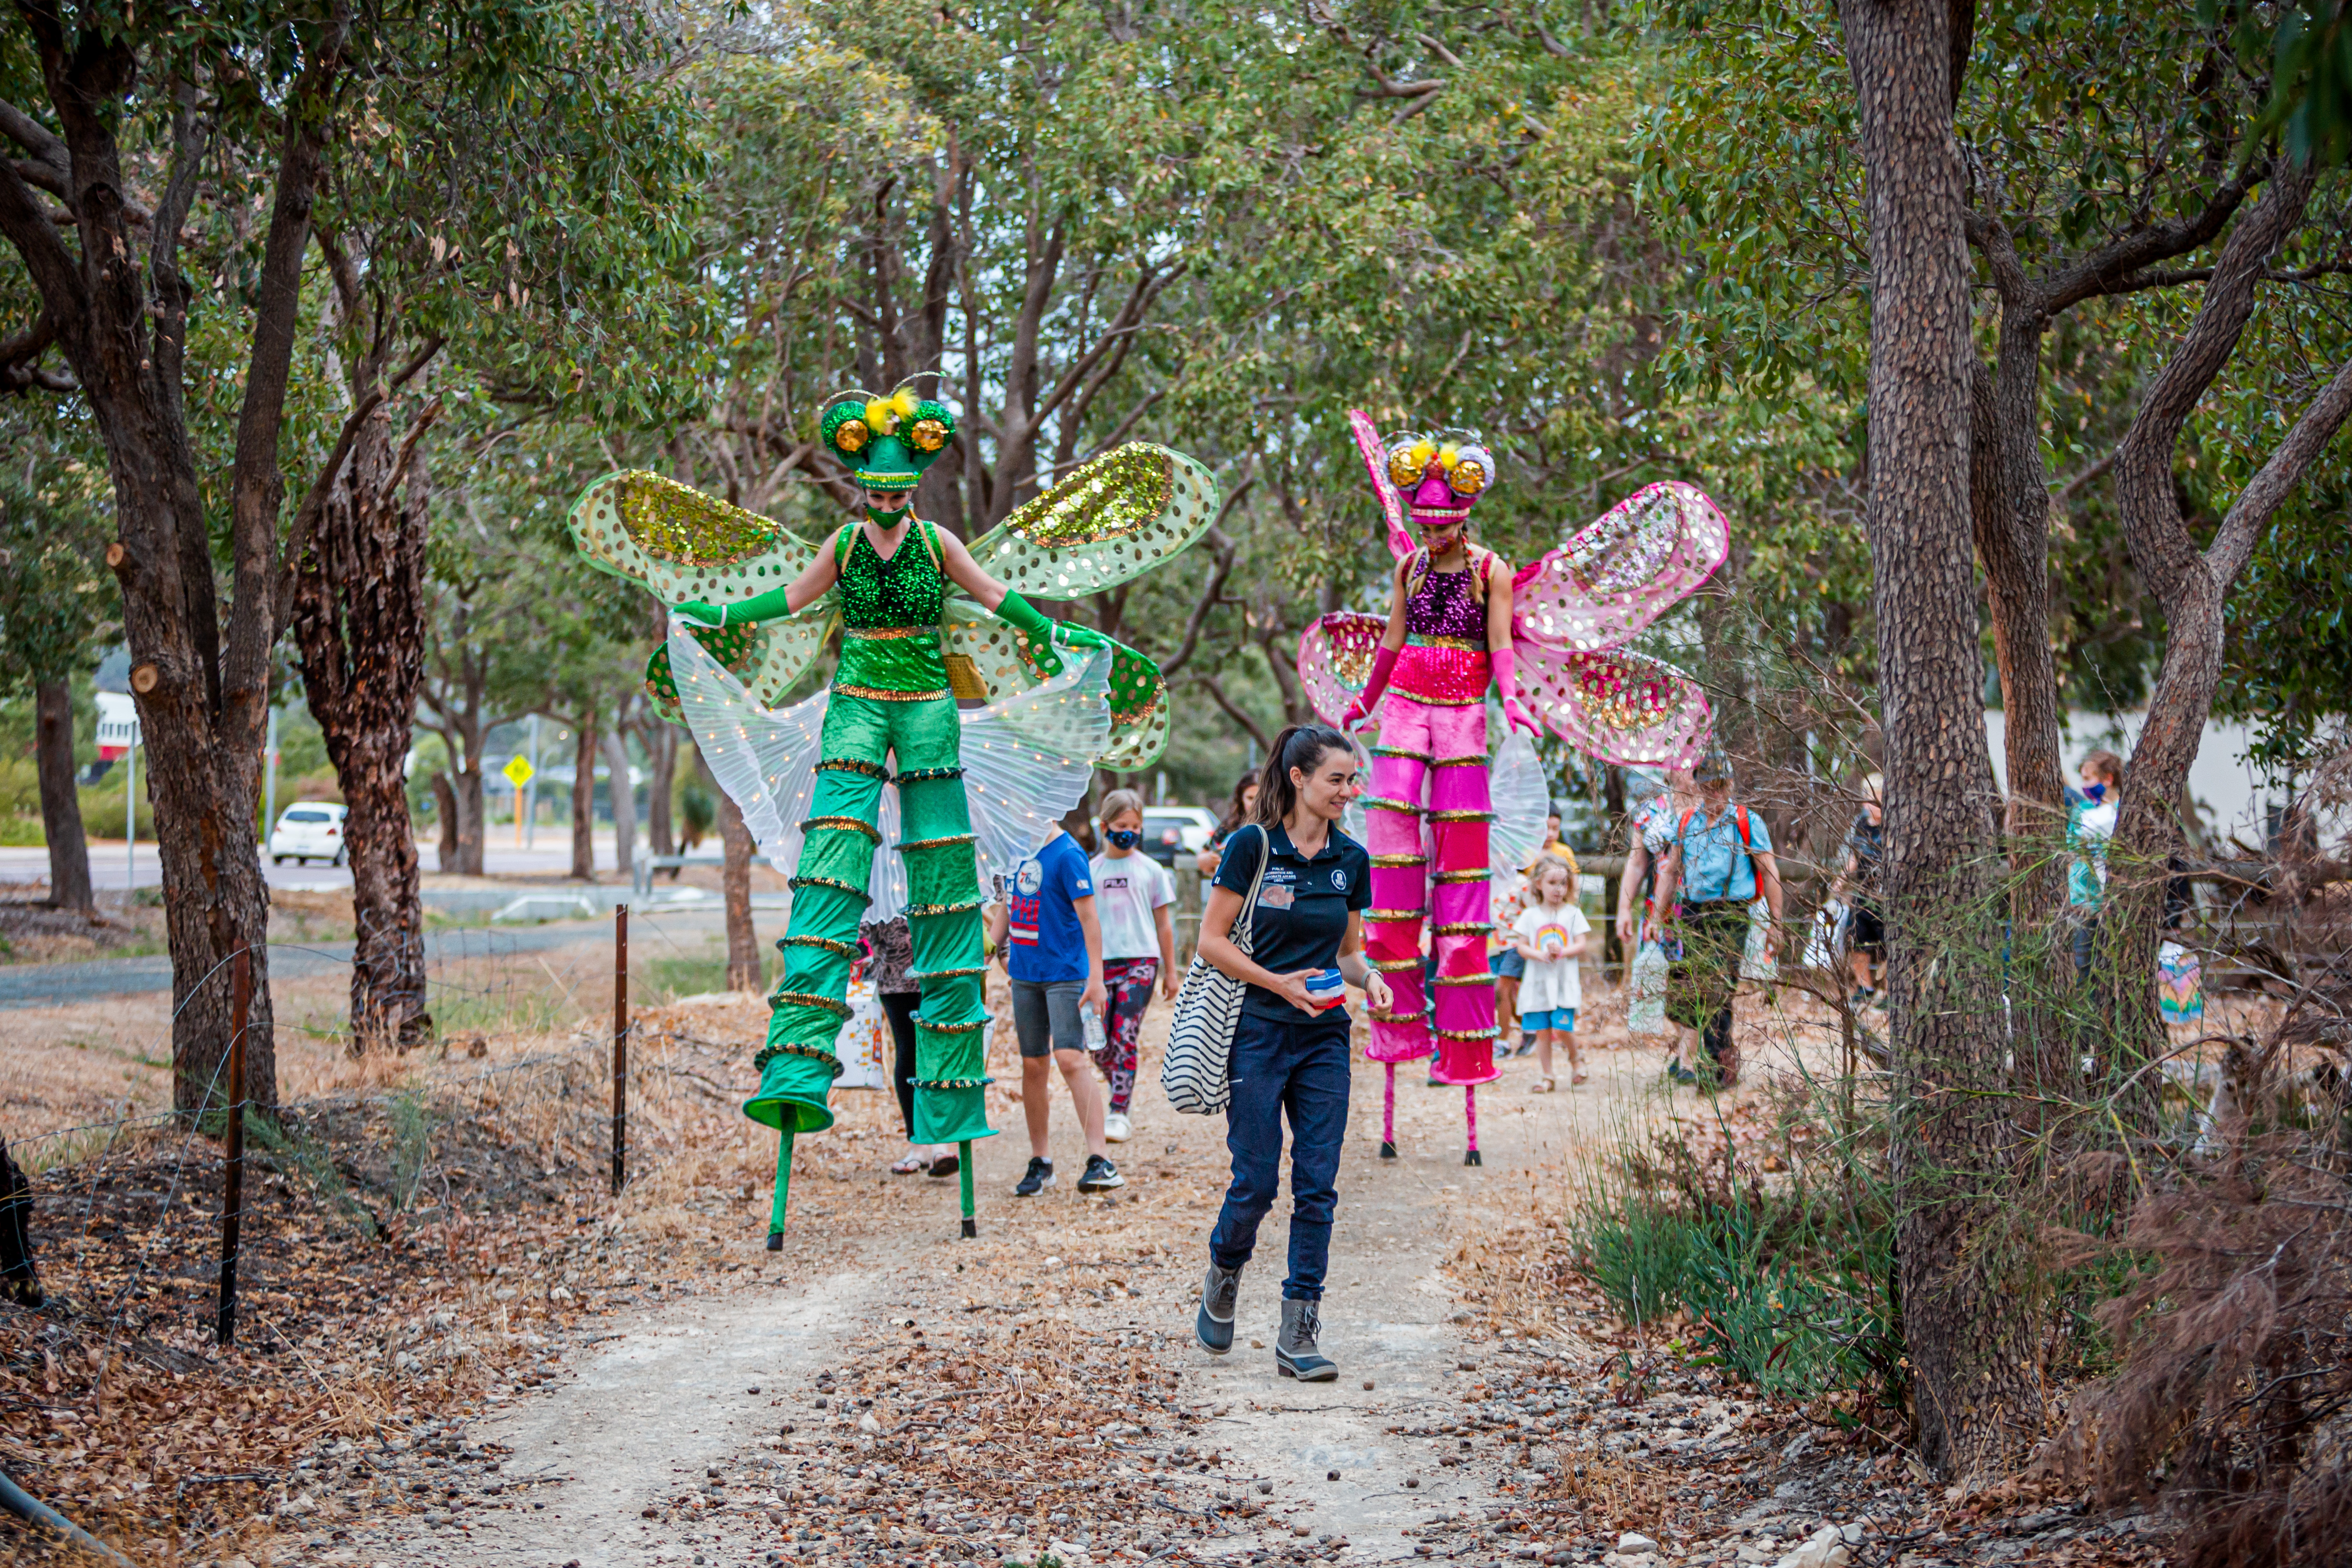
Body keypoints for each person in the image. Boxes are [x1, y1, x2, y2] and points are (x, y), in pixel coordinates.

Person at [1336, 423, 1539, 1164]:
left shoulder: (1491, 569)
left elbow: (1499, 645)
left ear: (1465, 517)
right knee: (1391, 877)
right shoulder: (1409, 570)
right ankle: (1395, 1034)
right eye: (1426, 525)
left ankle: (1461, 1056)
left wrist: (1510, 702)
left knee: (1461, 880)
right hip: (1404, 711)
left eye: (1444, 524)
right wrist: (1364, 699)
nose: (1436, 535)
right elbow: (1390, 643)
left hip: (1460, 716)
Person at [1192, 724, 1386, 1381]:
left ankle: (1298, 1329)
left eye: (1351, 779)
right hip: (1258, 1030)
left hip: (1325, 1037)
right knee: (1254, 1181)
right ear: (1299, 777)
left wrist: (1373, 978)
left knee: (1317, 1185)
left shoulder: (1350, 859)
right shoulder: (1252, 846)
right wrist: (1279, 984)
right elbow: (1210, 941)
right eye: (1336, 778)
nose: (1347, 790)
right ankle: (1224, 1269)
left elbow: (1347, 951)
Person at [990, 803, 1122, 1196]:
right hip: (1025, 976)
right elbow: (1007, 908)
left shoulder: (1067, 854)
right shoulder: (1015, 853)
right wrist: (989, 949)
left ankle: (1100, 1159)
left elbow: (1089, 919)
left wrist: (1096, 979)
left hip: (1066, 973)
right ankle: (1041, 1160)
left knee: (1070, 1058)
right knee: (1033, 1064)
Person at [1649, 757, 1784, 1090]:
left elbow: (1770, 872)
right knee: (1687, 992)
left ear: (1729, 784)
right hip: (1694, 914)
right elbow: (1670, 871)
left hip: (1731, 914)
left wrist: (1776, 923)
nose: (1713, 791)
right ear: (1698, 784)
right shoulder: (1686, 822)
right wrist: (1657, 917)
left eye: (1720, 784)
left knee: (1716, 989)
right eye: (1707, 784)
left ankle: (1718, 1068)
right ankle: (1716, 1059)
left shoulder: (1746, 821)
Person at [1091, 788, 1179, 1143]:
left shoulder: (1152, 870)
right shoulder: (1089, 871)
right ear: (1105, 825)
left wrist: (1171, 971)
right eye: (1121, 824)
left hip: (1140, 962)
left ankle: (1118, 1110)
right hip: (1098, 965)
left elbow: (1164, 924)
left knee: (1125, 1035)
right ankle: (1119, 1083)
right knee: (1097, 1042)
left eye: (1135, 825)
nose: (1128, 831)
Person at [867, 915, 955, 1177]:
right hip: (893, 973)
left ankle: (941, 1141)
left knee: (936, 1052)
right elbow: (864, 916)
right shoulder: (880, 873)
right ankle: (919, 1143)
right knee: (907, 1052)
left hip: (938, 969)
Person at [1617, 769, 1699, 1038]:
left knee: (1697, 983)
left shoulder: (1713, 808)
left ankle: (1691, 1057)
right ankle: (1688, 1048)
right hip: (1660, 911)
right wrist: (1624, 909)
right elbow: (1636, 863)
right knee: (1661, 983)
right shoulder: (1650, 811)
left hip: (1702, 906)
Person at [1511, 855, 1590, 1089]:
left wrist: (1564, 951)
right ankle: (1548, 1076)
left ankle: (1577, 1058)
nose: (1558, 889)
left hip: (1564, 983)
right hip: (1538, 984)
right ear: (1538, 884)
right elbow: (1522, 946)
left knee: (1561, 1027)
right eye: (1552, 883)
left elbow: (1581, 943)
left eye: (1563, 883)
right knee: (1542, 1032)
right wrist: (1540, 954)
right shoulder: (1530, 916)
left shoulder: (1573, 913)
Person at [1830, 775, 1886, 1007]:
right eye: (1867, 798)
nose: (1870, 803)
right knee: (1855, 939)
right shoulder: (1861, 826)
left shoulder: (1895, 824)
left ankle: (1891, 994)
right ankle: (1866, 988)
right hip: (1864, 895)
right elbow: (1854, 856)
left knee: (1892, 945)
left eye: (1876, 798)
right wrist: (1840, 881)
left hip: (1887, 897)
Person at [2069, 749, 2123, 979]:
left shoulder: (2124, 812)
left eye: (2088, 778)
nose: (2083, 785)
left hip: (2115, 901)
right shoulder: (2082, 811)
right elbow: (2071, 848)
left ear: (2108, 779)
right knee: (2082, 963)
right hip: (2083, 901)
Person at [1196, 772, 1260, 877]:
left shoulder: (1280, 828)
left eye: (1260, 798)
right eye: (1250, 798)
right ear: (1241, 799)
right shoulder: (1229, 826)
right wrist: (1210, 859)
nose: (1255, 805)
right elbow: (1202, 857)